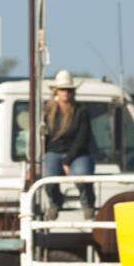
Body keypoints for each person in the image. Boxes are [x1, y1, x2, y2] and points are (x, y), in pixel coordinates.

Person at [41, 70, 95, 219]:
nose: (66, 93)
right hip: (54, 152)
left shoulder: (81, 112)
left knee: (81, 175)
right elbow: (44, 138)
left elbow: (82, 138)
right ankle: (55, 202)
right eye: (63, 89)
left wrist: (67, 160)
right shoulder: (47, 112)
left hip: (78, 153)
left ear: (73, 92)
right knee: (48, 178)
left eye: (69, 90)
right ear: (56, 91)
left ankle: (87, 203)